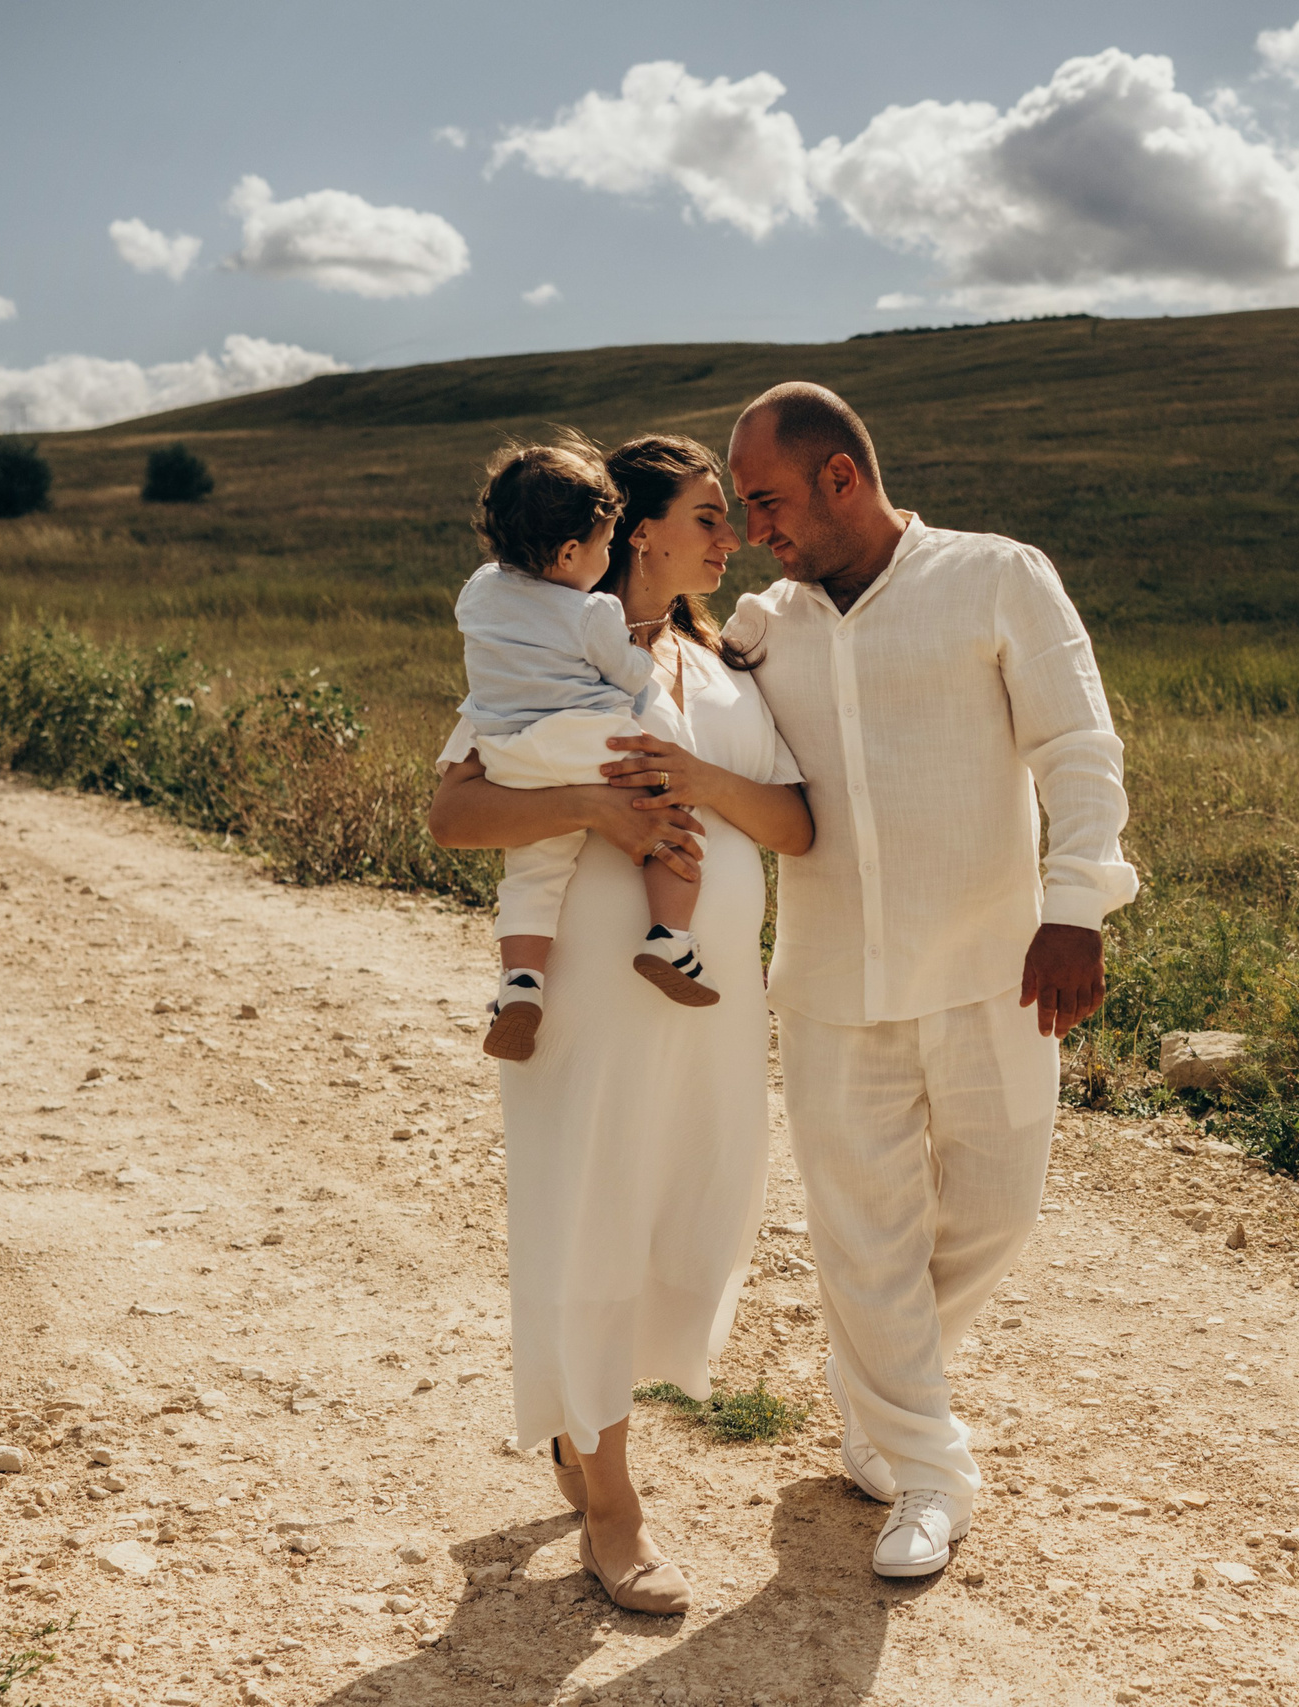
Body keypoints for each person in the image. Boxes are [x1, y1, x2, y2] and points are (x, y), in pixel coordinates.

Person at [723, 382, 1138, 1578]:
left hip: (996, 966)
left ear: (840, 478)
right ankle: (925, 1472)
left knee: (997, 1211)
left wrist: (1074, 910)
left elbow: (1077, 748)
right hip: (829, 984)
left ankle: (882, 1395)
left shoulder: (998, 576)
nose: (759, 528)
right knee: (862, 1239)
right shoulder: (764, 623)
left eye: (769, 500)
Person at [426, 433, 813, 1615]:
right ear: (636, 531)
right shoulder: (554, 652)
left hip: (701, 994)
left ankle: (583, 1427)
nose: (728, 534)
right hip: (588, 993)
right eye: (707, 515)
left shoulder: (727, 672)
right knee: (586, 1213)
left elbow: (796, 825)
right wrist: (597, 803)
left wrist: (693, 787)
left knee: (682, 1211)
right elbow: (455, 813)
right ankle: (613, 1502)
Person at [453, 436, 716, 1066]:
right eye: (603, 543)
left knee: (533, 873)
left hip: (509, 754)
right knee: (666, 816)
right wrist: (633, 659)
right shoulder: (592, 611)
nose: (607, 554)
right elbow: (628, 673)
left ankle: (521, 983)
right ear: (571, 551)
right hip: (583, 741)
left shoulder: (479, 591)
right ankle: (669, 939)